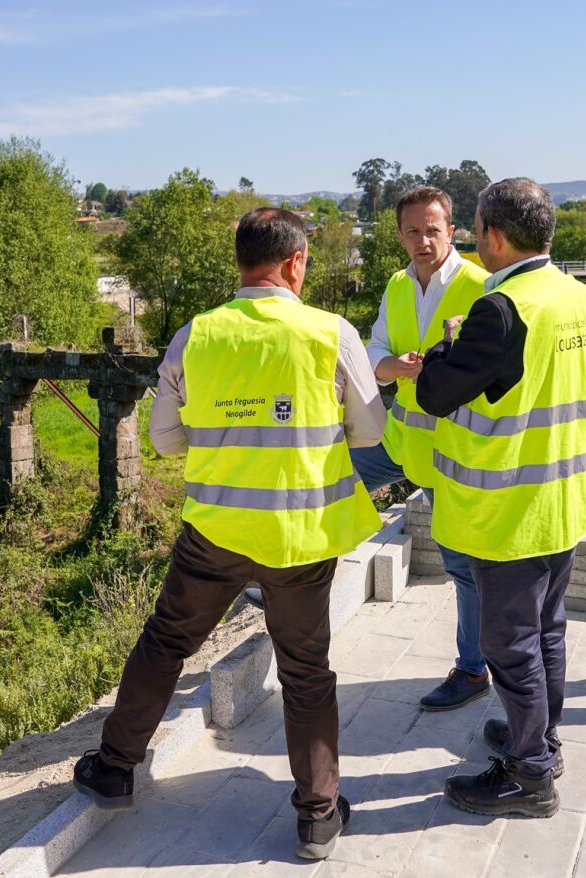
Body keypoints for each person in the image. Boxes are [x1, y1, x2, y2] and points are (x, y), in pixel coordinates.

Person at [73, 207, 384, 861]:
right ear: (296, 262)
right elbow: (372, 432)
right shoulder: (331, 334)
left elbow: (162, 437)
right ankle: (317, 816)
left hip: (215, 531)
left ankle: (114, 768)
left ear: (242, 263)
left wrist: (223, 437)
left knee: (165, 644)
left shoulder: (195, 335)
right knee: (306, 672)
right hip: (301, 536)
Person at [416, 178, 586, 817]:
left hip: (509, 512)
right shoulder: (576, 296)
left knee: (508, 644)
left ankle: (529, 776)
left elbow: (435, 392)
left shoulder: (500, 310)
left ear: (494, 236)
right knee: (546, 630)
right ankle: (540, 739)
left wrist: (447, 343)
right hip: (563, 499)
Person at [356, 185, 494, 712]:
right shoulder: (397, 286)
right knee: (331, 483)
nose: (423, 240)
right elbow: (375, 348)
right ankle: (283, 576)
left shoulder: (481, 286)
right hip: (402, 439)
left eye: (432, 229)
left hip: (454, 455)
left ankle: (473, 669)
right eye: (412, 231)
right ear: (399, 235)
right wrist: (392, 367)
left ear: (451, 231)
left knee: (462, 566)